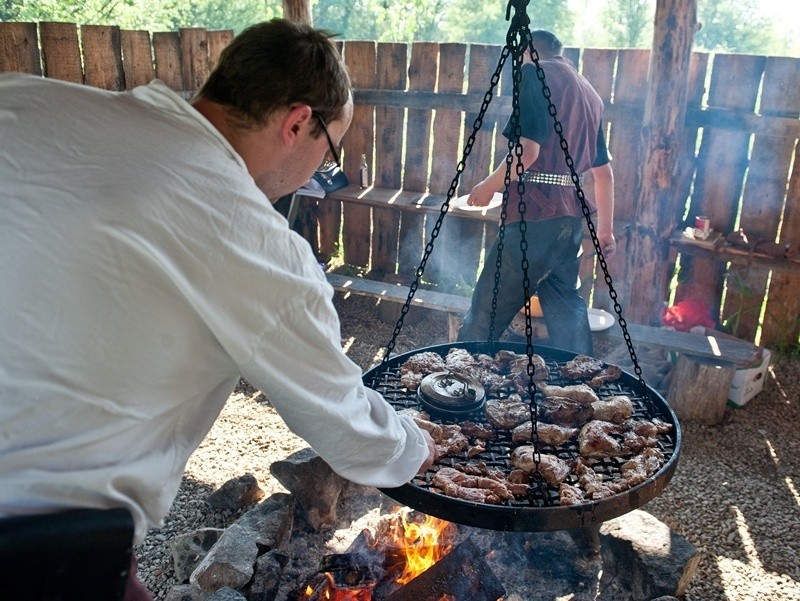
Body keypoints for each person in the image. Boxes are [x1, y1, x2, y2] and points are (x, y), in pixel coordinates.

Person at [0, 18, 434, 598]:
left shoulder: (26, 100)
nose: (320, 170)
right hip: (31, 537)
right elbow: (344, 421)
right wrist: (418, 446)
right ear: (298, 123)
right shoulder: (248, 237)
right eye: (329, 149)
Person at [457, 29, 616, 355]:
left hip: (534, 218)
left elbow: (526, 152)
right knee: (566, 312)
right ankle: (582, 382)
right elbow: (605, 174)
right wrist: (606, 231)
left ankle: (458, 386)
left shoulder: (533, 72)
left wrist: (488, 186)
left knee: (484, 313)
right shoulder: (590, 94)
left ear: (528, 52)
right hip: (569, 223)